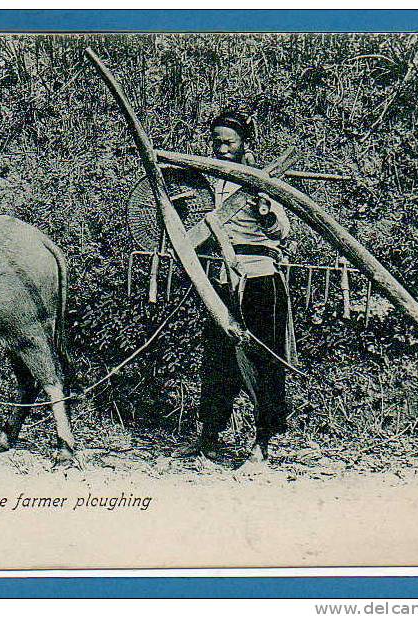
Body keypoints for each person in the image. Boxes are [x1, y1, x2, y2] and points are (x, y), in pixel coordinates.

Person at [176, 109, 296, 469]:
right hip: (220, 283)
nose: (223, 148)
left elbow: (283, 232)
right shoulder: (208, 183)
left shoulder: (261, 181)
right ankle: (209, 438)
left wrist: (265, 212)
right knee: (217, 361)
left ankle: (262, 444)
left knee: (263, 360)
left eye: (230, 142)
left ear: (245, 143)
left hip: (259, 279)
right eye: (217, 142)